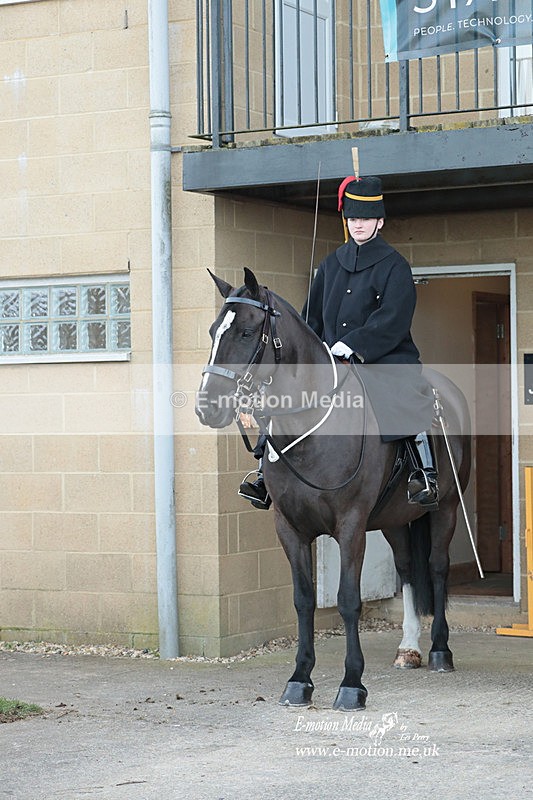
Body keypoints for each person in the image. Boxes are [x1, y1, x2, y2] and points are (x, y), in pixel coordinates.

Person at [239, 175, 438, 510]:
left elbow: (393, 318)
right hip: (329, 360)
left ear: (380, 221)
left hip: (382, 357)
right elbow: (309, 319)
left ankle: (423, 472)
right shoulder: (330, 265)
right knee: (282, 396)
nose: (357, 224)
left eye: (364, 218)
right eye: (352, 218)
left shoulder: (395, 266)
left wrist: (353, 344)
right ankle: (263, 472)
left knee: (403, 394)